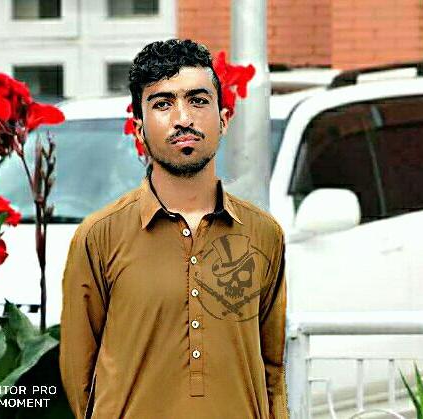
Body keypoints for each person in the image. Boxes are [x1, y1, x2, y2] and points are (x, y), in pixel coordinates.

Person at [59, 39, 289, 419]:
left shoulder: (264, 234)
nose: (183, 118)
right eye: (163, 104)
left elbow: (273, 371)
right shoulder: (99, 236)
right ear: (139, 128)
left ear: (224, 119)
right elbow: (79, 375)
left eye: (198, 100)